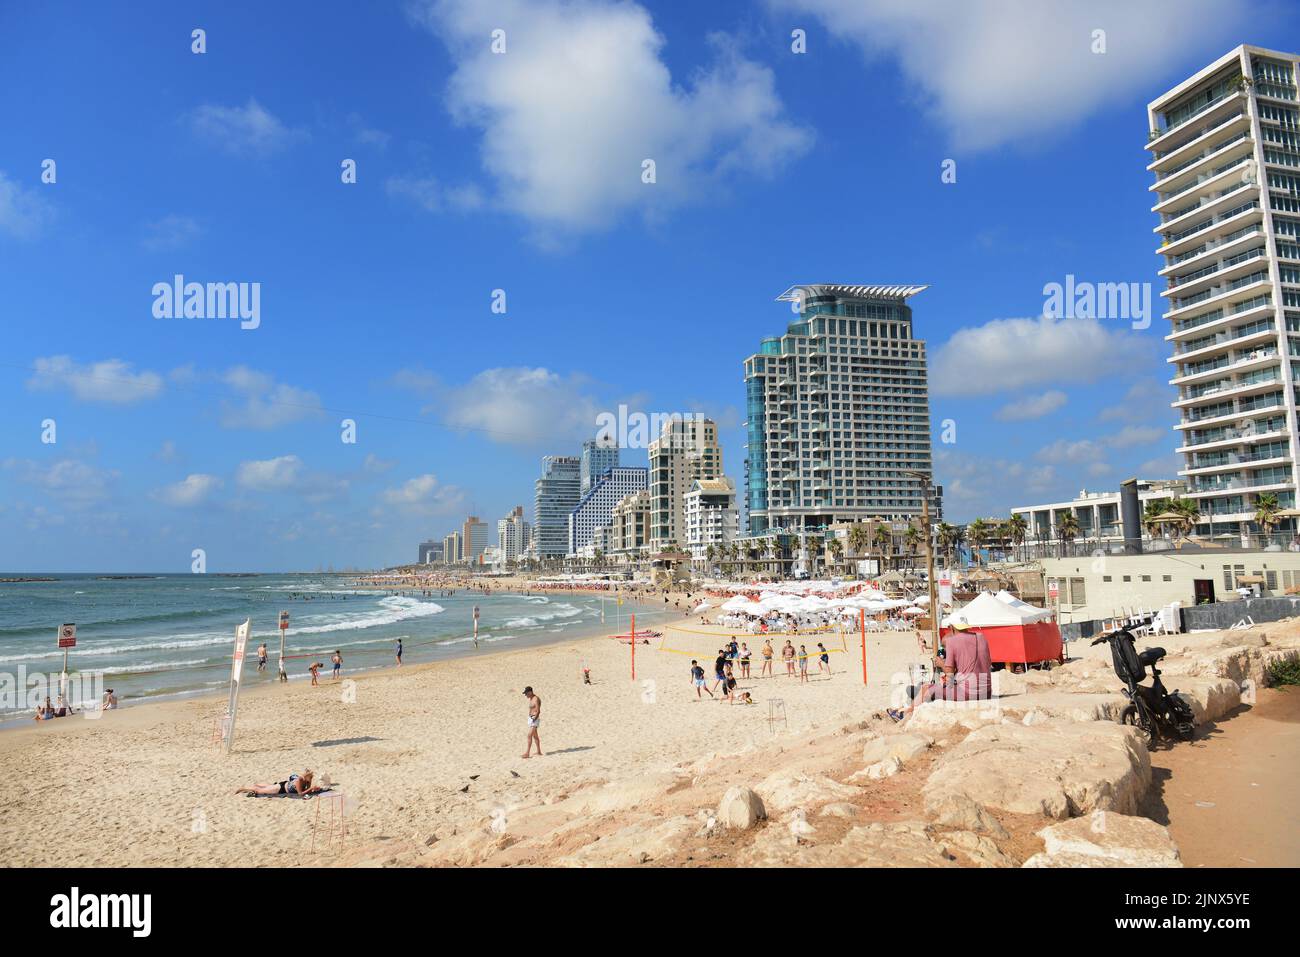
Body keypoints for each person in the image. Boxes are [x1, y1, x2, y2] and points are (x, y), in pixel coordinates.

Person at [892, 619, 993, 720]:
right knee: (930, 686)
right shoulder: (981, 637)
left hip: (969, 693)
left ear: (951, 628)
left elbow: (950, 677)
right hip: (987, 691)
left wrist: (941, 664)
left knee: (925, 689)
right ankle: (907, 707)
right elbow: (988, 663)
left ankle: (905, 714)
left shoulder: (952, 641)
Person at [236, 769, 323, 797]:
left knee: (269, 786)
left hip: (284, 785)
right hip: (281, 789)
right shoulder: (300, 780)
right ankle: (243, 789)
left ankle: (256, 784)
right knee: (260, 791)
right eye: (310, 778)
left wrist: (311, 787)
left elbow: (307, 790)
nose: (311, 779)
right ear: (306, 776)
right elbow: (300, 793)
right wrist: (311, 789)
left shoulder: (306, 780)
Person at [522, 686, 543, 758]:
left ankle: (527, 753)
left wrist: (534, 719)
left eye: (526, 693)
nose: (525, 695)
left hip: (534, 719)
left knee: (529, 735)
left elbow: (538, 710)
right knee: (535, 736)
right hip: (531, 719)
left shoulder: (536, 699)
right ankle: (539, 751)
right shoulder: (531, 698)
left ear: (530, 692)